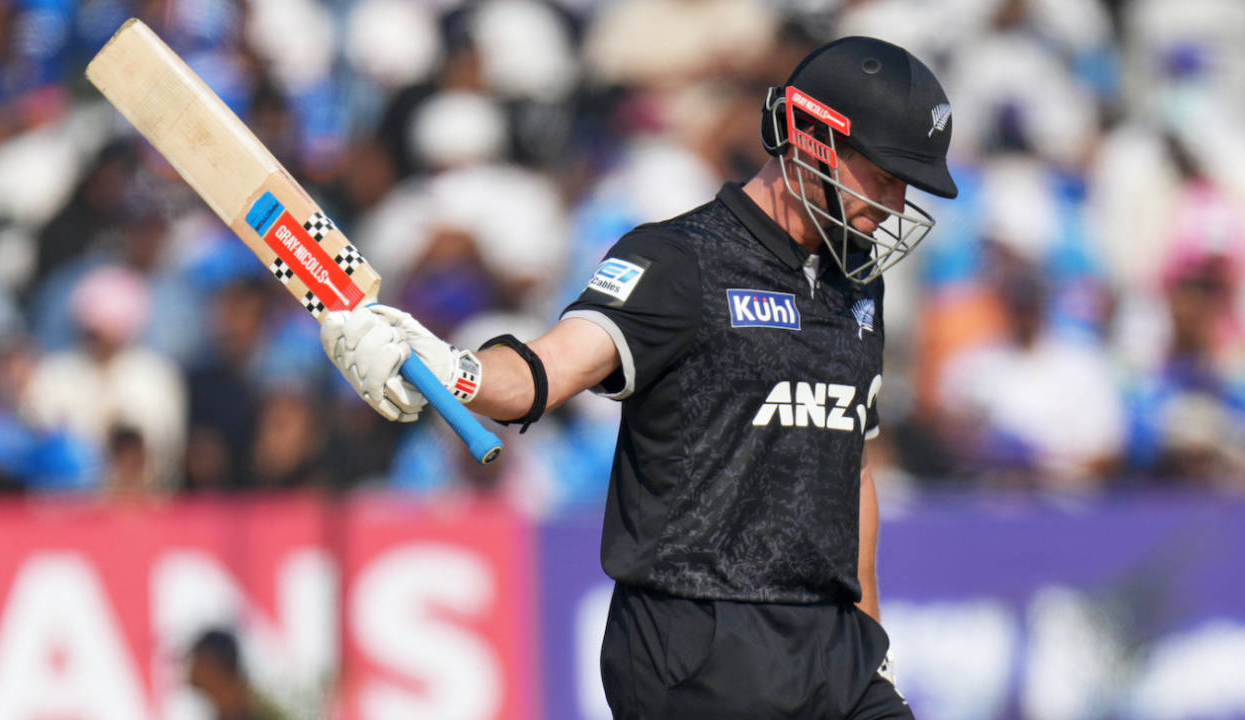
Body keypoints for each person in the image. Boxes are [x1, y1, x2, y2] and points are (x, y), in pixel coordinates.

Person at [322, 36, 957, 719]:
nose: (894, 204)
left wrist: (870, 634)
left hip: (833, 646)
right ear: (810, 138)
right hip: (698, 640)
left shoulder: (856, 285)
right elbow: (546, 372)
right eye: (884, 175)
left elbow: (849, 472)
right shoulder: (680, 262)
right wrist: (451, 368)